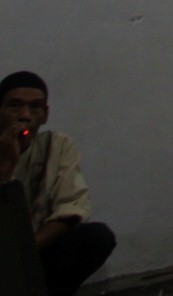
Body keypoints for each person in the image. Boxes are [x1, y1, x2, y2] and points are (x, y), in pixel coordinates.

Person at [0, 71, 116, 296]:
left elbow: (71, 209)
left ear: (45, 114)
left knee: (97, 237)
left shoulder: (57, 146)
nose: (25, 116)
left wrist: (26, 250)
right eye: (15, 106)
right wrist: (6, 166)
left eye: (35, 107)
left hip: (33, 249)